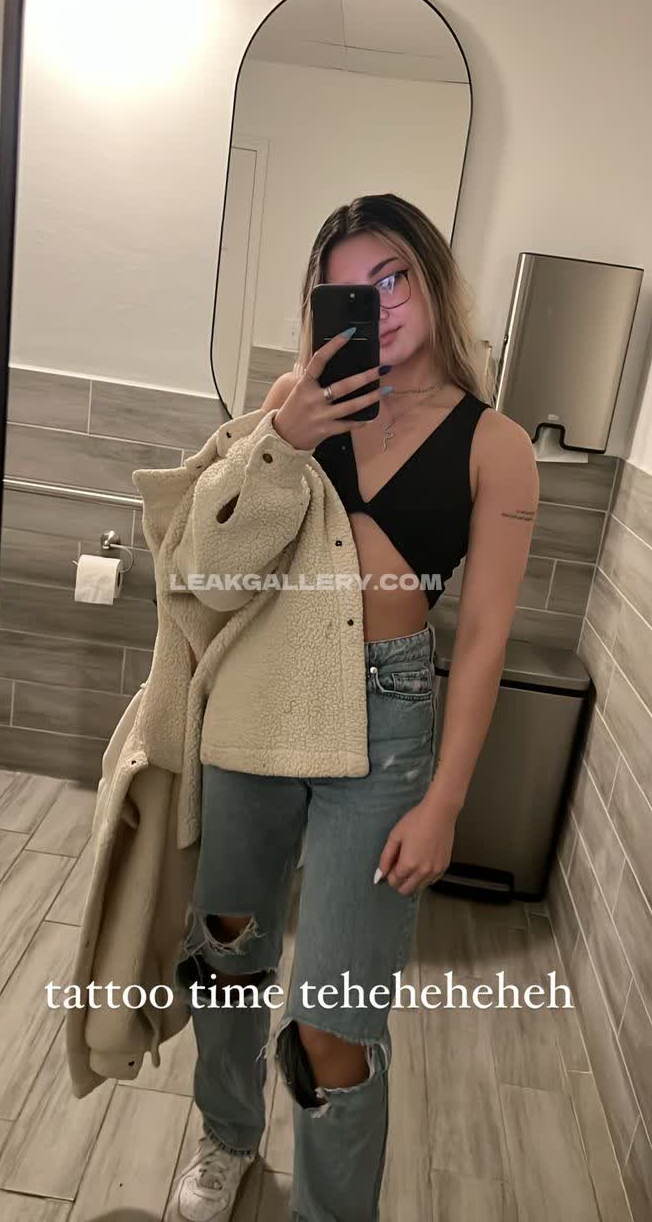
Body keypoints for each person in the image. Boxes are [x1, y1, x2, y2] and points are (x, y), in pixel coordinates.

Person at [167, 193, 539, 1221]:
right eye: (351, 288)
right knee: (229, 945)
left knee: (336, 1014)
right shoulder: (293, 404)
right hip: (263, 697)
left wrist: (446, 800)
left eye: (394, 276)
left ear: (431, 280)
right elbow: (209, 568)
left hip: (388, 723)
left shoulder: (494, 442)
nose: (380, 303)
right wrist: (283, 438)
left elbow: (485, 638)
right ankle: (227, 1133)